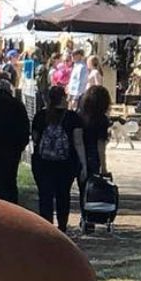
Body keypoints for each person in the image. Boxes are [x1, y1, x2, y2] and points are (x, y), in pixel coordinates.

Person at [30, 84, 87, 232]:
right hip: (66, 163)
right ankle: (62, 227)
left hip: (43, 163)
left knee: (45, 195)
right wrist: (83, 164)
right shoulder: (73, 117)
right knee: (63, 195)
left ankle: (46, 227)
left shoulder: (40, 116)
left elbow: (35, 138)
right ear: (63, 98)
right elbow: (78, 142)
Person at [77, 84, 112, 231]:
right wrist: (104, 166)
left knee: (82, 188)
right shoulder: (102, 120)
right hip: (93, 156)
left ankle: (84, 217)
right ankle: (88, 218)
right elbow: (100, 145)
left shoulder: (79, 116)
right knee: (91, 188)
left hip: (76, 154)